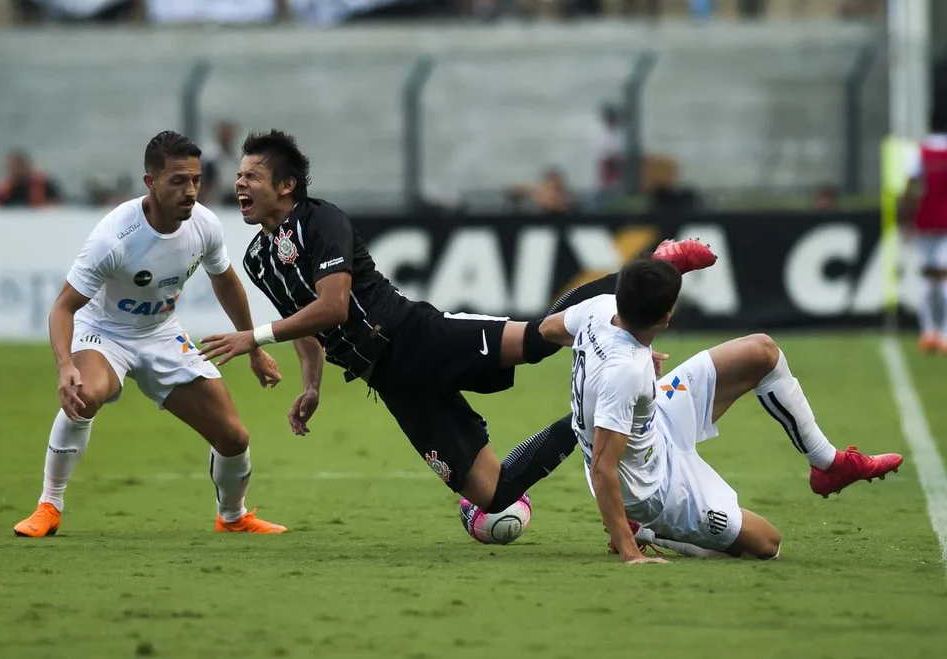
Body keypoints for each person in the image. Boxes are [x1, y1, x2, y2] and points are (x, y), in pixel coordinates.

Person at [198, 129, 717, 516]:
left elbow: (334, 306)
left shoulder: (321, 220)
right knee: (494, 494)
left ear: (286, 185)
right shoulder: (259, 259)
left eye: (251, 176)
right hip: (393, 382)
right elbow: (307, 327)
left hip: (418, 337)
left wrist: (253, 337)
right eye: (240, 176)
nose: (239, 183)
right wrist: (312, 385)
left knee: (540, 339)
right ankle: (580, 424)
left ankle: (659, 263)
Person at [535, 258, 904, 562]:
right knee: (767, 545)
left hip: (654, 415)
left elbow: (549, 329)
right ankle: (646, 528)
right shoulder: (626, 371)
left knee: (761, 352)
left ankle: (827, 463)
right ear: (665, 318)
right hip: (652, 488)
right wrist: (632, 554)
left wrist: (630, 354)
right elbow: (602, 468)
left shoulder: (602, 310)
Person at [13, 131, 288, 537]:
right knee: (85, 394)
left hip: (161, 332)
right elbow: (63, 307)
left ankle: (232, 517)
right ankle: (49, 505)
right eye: (178, 180)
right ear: (150, 182)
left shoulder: (205, 226)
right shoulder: (114, 239)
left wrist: (252, 347)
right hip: (104, 333)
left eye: (195, 180)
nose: (190, 190)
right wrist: (65, 365)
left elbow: (226, 282)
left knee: (233, 436)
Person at [900, 110, 947, 354]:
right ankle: (943, 333)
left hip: (925, 221)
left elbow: (909, 189)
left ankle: (928, 332)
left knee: (928, 280)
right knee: (943, 279)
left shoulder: (919, 152)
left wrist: (905, 221)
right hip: (944, 223)